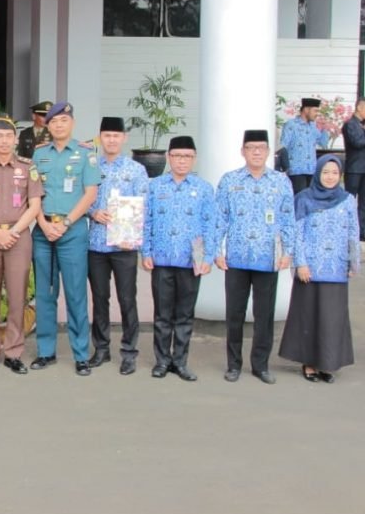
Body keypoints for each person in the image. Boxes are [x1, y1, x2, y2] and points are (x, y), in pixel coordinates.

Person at [214, 129, 294, 385]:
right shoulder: (229, 180)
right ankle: (233, 364)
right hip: (236, 258)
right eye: (251, 147)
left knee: (264, 316)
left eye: (261, 147)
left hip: (267, 258)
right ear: (243, 151)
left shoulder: (281, 182)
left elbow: (287, 220)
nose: (256, 152)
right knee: (234, 314)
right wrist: (216, 250)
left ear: (269, 151)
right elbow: (219, 218)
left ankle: (260, 365)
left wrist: (288, 252)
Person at [30, 101, 100, 376]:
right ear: (47, 125)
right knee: (46, 294)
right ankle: (46, 351)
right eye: (54, 121)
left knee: (75, 294)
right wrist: (43, 224)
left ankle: (81, 354)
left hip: (72, 232)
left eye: (64, 121)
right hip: (43, 231)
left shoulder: (85, 154)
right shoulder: (38, 155)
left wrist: (66, 222)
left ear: (72, 123)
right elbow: (32, 195)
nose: (58, 125)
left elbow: (90, 194)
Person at [141, 136, 216, 381]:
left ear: (194, 158)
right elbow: (146, 221)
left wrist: (207, 257)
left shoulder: (204, 188)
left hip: (190, 262)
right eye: (177, 156)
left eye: (187, 156)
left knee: (184, 315)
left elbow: (209, 225)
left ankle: (180, 362)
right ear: (168, 157)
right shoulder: (155, 186)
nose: (182, 161)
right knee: (162, 315)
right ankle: (162, 361)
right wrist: (146, 251)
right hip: (161, 260)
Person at [278, 154, 359, 383]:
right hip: (310, 270)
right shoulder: (304, 198)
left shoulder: (347, 200)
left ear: (340, 175)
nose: (330, 177)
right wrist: (300, 263)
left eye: (334, 173)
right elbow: (296, 234)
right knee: (309, 317)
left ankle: (328, 364)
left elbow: (353, 232)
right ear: (317, 173)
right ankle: (310, 363)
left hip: (336, 268)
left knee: (332, 319)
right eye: (326, 172)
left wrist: (353, 262)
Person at [0, 115, 42, 374]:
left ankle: (14, 352)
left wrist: (12, 231)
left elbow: (34, 205)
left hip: (18, 237)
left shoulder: (27, 168)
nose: (4, 141)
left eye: (8, 137)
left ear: (15, 140)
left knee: (17, 296)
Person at [86, 116, 149, 375]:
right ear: (100, 138)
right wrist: (93, 212)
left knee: (127, 299)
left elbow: (143, 204)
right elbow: (81, 197)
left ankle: (129, 351)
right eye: (107, 135)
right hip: (97, 244)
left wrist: (133, 235)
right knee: (100, 299)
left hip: (124, 246)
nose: (111, 140)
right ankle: (101, 348)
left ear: (123, 139)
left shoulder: (136, 170)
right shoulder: (90, 167)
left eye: (116, 135)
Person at [280, 97, 325, 194]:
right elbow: (283, 146)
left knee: (309, 200)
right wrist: (286, 167)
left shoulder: (313, 126)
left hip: (312, 170)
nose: (317, 114)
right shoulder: (291, 125)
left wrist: (323, 128)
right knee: (299, 199)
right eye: (315, 110)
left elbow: (323, 143)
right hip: (296, 171)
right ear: (306, 109)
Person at [341, 97, 365, 241]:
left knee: (363, 202)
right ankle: (346, 228)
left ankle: (361, 231)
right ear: (360, 108)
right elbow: (357, 142)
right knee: (349, 200)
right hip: (354, 168)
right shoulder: (350, 124)